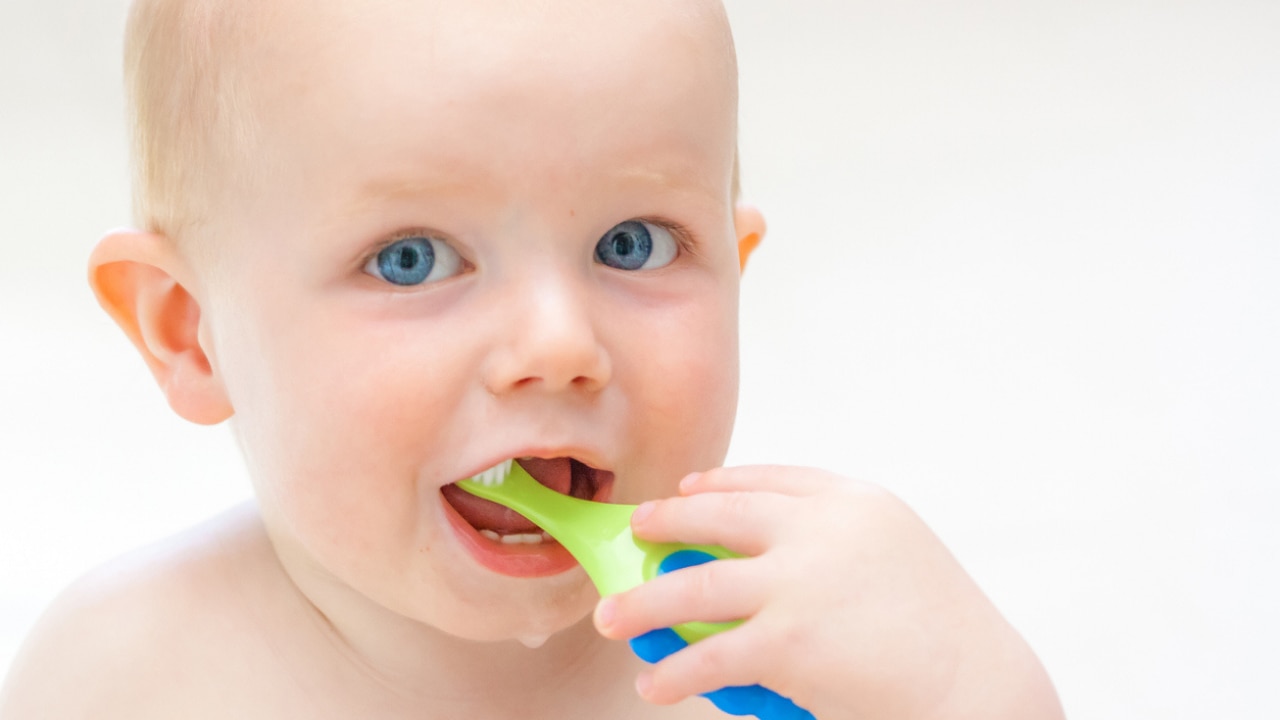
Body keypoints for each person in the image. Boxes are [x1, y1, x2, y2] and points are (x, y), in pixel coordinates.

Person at [0, 1, 1063, 718]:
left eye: (631, 244)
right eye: (411, 260)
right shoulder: (127, 677)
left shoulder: (790, 661)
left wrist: (981, 692)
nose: (559, 345)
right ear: (190, 332)